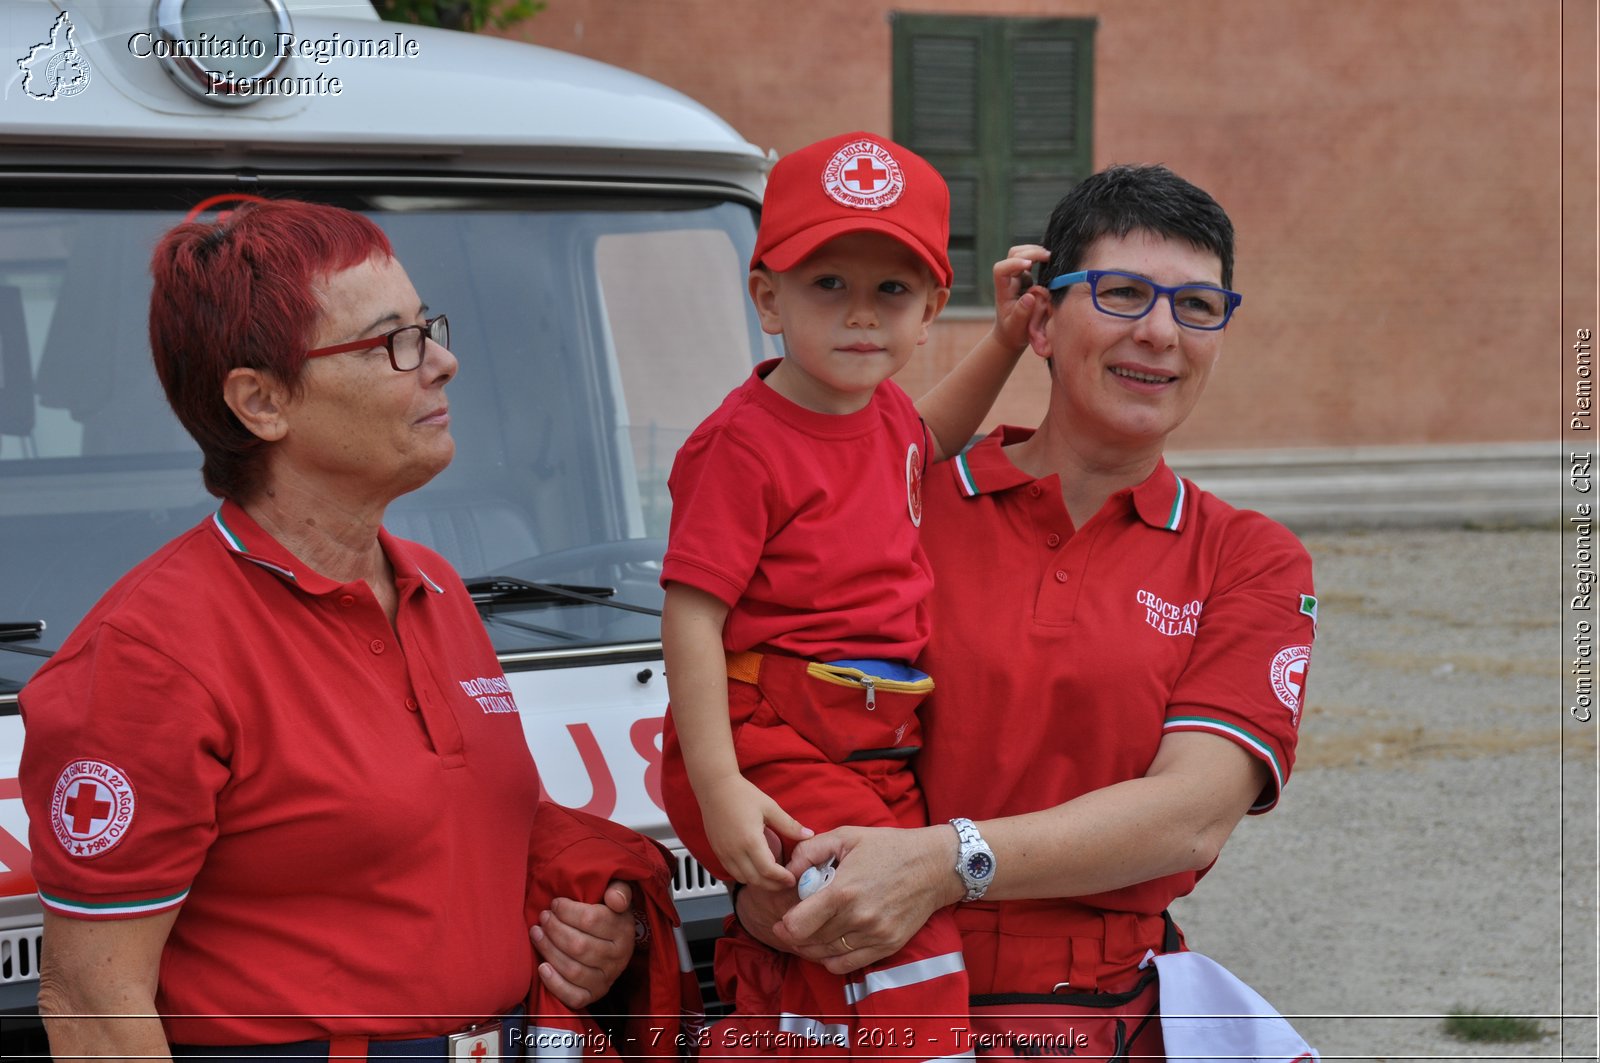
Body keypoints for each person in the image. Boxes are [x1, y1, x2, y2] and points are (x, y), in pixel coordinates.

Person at [18, 198, 669, 1061]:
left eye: (427, 325)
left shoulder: (433, 585)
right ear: (261, 402)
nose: (444, 361)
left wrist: (589, 937)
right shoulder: (149, 657)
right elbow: (95, 1003)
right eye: (392, 340)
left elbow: (448, 858)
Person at [731, 164, 1319, 1061]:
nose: (1160, 333)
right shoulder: (900, 503)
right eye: (1122, 294)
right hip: (848, 984)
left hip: (1086, 1020)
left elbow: (1190, 812)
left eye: (1197, 306)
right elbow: (766, 699)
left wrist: (943, 862)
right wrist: (763, 881)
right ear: (1040, 319)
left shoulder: (1248, 557)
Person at [658, 132, 1043, 1054]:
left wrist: (1005, 338)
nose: (860, 316)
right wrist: (717, 781)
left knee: (829, 950)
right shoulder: (741, 445)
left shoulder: (888, 420)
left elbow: (934, 434)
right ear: (768, 299)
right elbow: (691, 614)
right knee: (907, 924)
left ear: (929, 311)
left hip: (871, 740)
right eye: (828, 284)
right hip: (769, 729)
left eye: (891, 292)